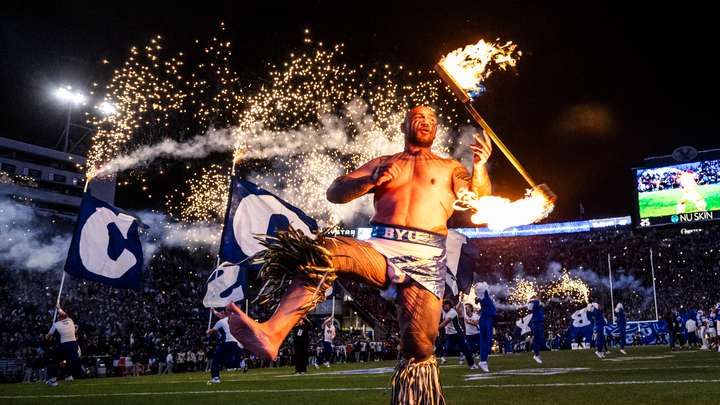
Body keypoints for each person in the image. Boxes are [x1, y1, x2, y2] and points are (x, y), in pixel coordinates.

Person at [226, 106, 492, 404]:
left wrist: (479, 167)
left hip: (426, 258)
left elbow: (477, 198)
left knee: (419, 348)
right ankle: (271, 334)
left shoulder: (449, 167)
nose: (426, 122)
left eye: (431, 119)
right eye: (418, 117)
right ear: (404, 126)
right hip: (380, 249)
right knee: (323, 252)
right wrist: (370, 180)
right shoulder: (384, 163)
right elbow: (335, 192)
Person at [206, 309, 245, 384]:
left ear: (224, 314)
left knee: (216, 361)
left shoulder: (220, 322)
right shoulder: (231, 319)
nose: (219, 315)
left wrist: (208, 331)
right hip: (235, 342)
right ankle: (241, 363)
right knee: (228, 361)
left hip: (226, 343)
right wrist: (213, 310)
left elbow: (212, 331)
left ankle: (216, 378)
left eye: (221, 313)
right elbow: (219, 314)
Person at [45, 307, 82, 387]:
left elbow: (48, 337)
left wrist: (48, 335)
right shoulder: (70, 320)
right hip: (74, 344)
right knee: (66, 361)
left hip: (65, 345)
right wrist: (58, 308)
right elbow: (64, 313)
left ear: (59, 318)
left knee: (55, 360)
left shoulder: (56, 324)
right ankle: (68, 376)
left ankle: (53, 380)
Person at [439, 300, 476, 369]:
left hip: (458, 333)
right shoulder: (444, 311)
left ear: (450, 306)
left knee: (465, 348)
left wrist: (435, 328)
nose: (446, 306)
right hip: (450, 335)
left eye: (447, 305)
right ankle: (460, 354)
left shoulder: (452, 312)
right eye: (444, 305)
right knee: (448, 349)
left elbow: (446, 322)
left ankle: (472, 364)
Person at [476, 282, 496, 373]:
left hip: (486, 319)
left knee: (485, 341)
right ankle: (483, 361)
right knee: (487, 340)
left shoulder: (482, 298)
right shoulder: (485, 296)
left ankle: (483, 361)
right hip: (486, 319)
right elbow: (485, 287)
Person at [528, 296, 545, 364]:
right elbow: (529, 307)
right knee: (537, 338)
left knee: (540, 339)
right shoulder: (535, 302)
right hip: (536, 323)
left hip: (539, 323)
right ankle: (536, 355)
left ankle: (537, 354)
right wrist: (532, 300)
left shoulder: (538, 303)